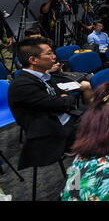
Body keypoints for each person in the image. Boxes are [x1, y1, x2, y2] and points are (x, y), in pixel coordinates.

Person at [8, 37, 82, 170]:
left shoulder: (44, 75)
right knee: (102, 136)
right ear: (33, 60)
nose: (54, 57)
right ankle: (78, 182)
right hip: (52, 131)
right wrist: (64, 101)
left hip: (65, 119)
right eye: (49, 53)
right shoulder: (22, 85)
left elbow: (66, 96)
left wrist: (64, 100)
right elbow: (61, 103)